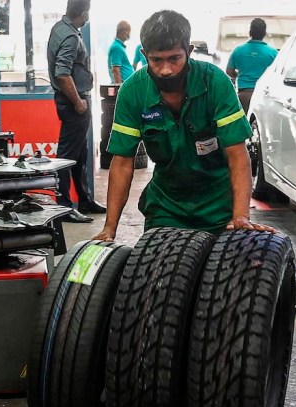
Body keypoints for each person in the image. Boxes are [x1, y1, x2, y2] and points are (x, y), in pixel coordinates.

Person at [95, 10, 273, 240]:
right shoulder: (132, 92)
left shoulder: (215, 82)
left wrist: (240, 216)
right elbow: (122, 163)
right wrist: (109, 229)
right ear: (144, 54)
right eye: (156, 60)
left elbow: (237, 155)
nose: (166, 70)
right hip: (165, 210)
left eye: (174, 59)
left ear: (188, 52)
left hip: (219, 210)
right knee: (155, 273)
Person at [46, 0, 105, 222]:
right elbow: (62, 73)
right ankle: (63, 207)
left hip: (72, 102)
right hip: (73, 103)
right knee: (67, 156)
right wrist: (78, 102)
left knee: (80, 154)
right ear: (84, 12)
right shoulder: (70, 36)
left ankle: (85, 200)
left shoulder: (61, 28)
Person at [225, 18, 278, 113]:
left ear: (250, 32)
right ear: (264, 33)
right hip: (263, 97)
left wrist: (239, 75)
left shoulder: (238, 51)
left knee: (243, 125)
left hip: (243, 95)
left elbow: (229, 71)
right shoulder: (273, 53)